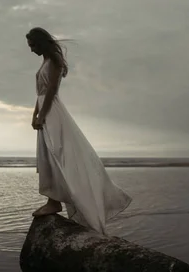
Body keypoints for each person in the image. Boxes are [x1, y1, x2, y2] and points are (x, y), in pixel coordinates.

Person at [26, 27, 132, 235]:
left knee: (56, 155)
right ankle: (53, 200)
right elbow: (40, 93)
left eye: (33, 45)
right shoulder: (45, 61)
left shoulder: (54, 59)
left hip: (53, 112)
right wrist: (34, 114)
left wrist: (42, 114)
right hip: (46, 111)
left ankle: (55, 201)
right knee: (48, 156)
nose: (31, 50)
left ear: (41, 42)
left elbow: (51, 92)